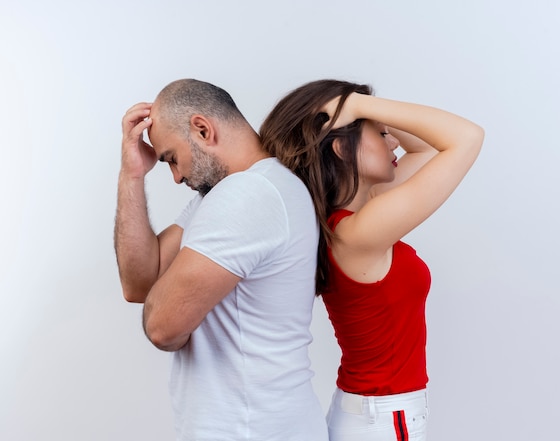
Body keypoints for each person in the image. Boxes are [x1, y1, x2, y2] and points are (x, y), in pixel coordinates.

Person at [260, 79, 484, 441]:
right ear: (342, 150)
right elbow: (466, 138)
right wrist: (360, 106)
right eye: (381, 135)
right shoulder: (357, 234)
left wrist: (361, 110)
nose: (394, 140)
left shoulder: (352, 221)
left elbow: (426, 153)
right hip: (381, 419)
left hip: (375, 414)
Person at [114, 79, 328, 441]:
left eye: (171, 158)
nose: (177, 175)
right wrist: (131, 174)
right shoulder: (225, 196)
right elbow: (138, 283)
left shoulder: (249, 195)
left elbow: (162, 327)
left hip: (252, 429)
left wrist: (174, 307)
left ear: (202, 129)